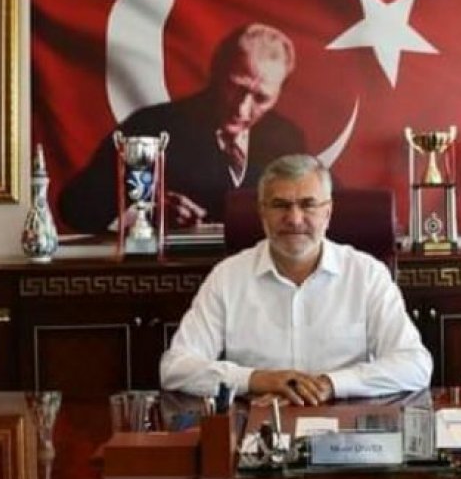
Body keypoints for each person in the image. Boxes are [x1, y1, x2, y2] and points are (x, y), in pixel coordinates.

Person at [160, 154, 432, 404]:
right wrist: (257, 379)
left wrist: (330, 384)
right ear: (262, 212)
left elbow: (415, 364)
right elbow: (175, 368)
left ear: (328, 212)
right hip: (257, 425)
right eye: (280, 205)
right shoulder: (228, 277)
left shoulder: (367, 275)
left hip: (346, 426)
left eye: (308, 204)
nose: (294, 218)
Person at [59, 22, 306, 233]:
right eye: (235, 87)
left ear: (279, 94)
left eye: (261, 98)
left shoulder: (287, 139)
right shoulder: (152, 126)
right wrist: (147, 211)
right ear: (217, 72)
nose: (242, 109)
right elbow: (75, 207)